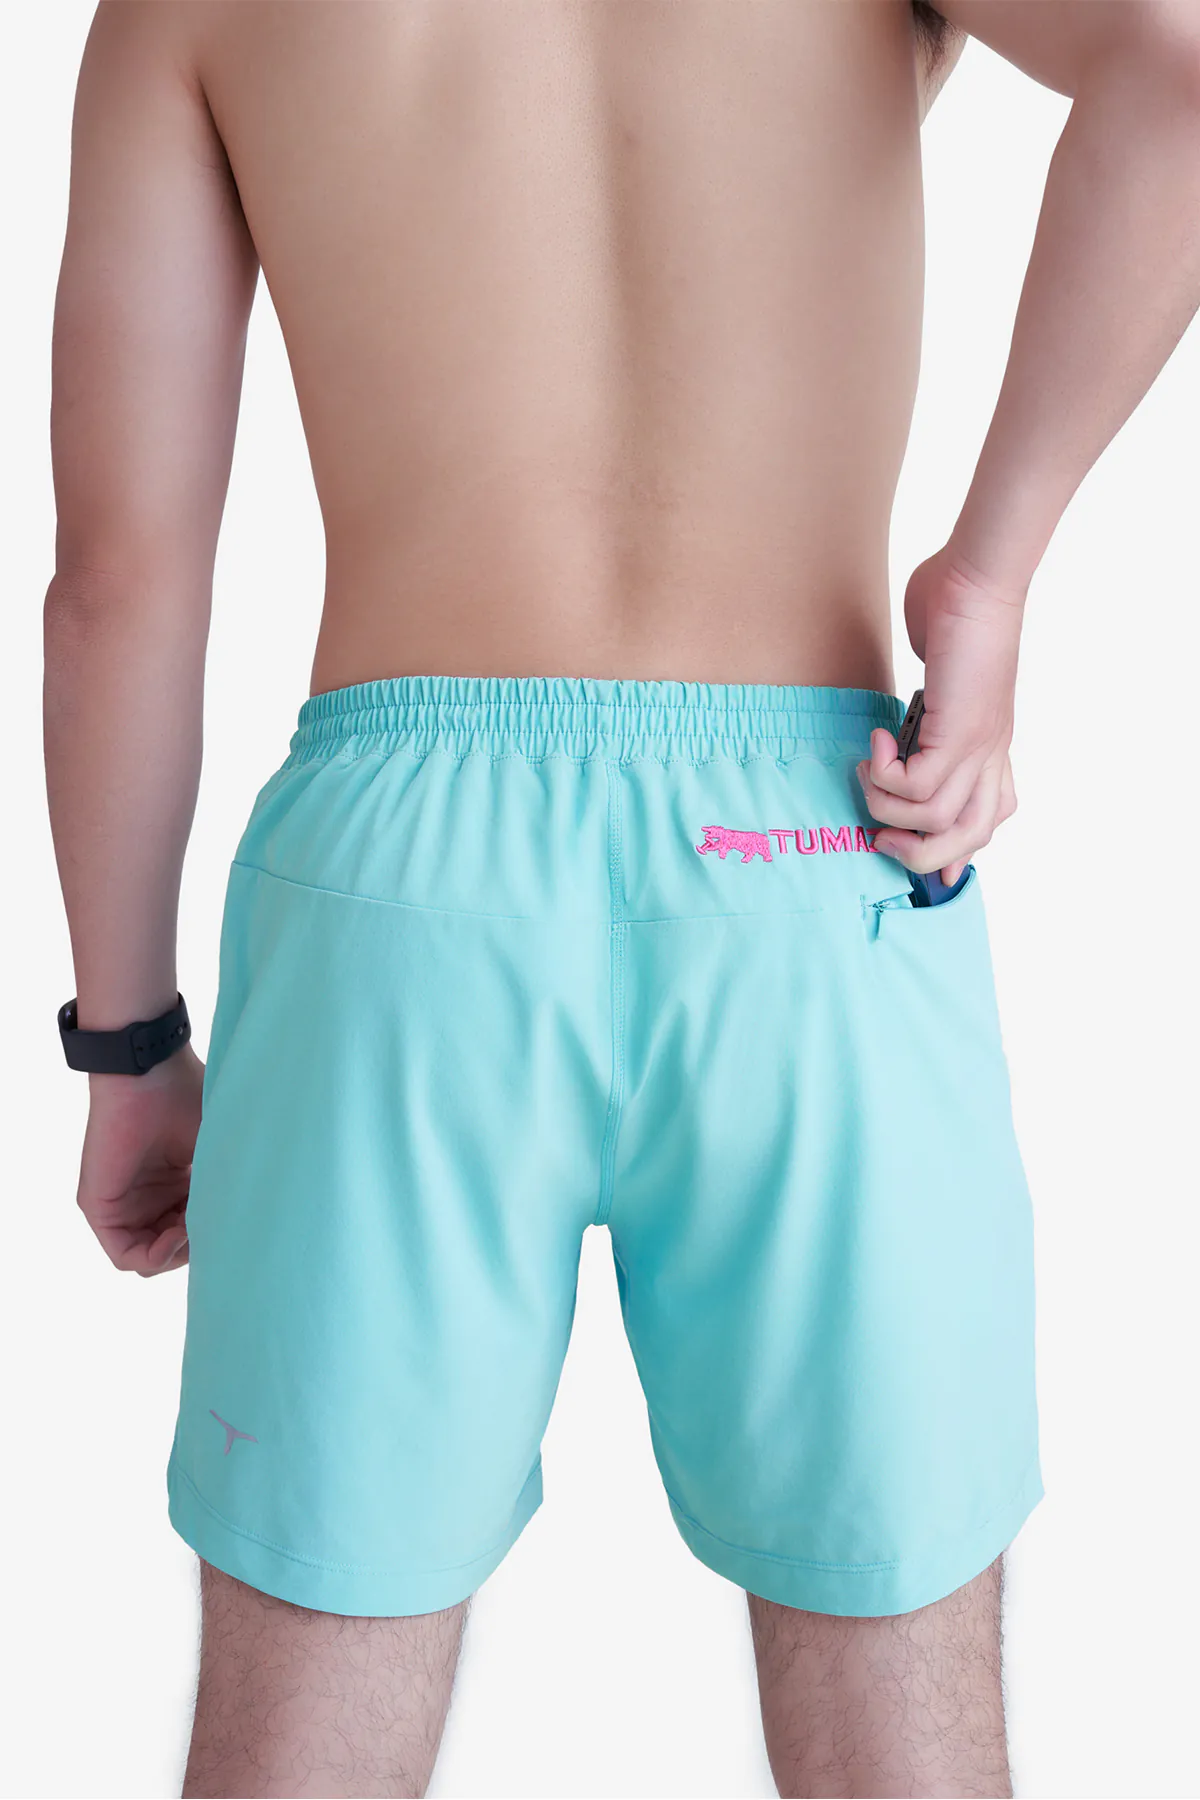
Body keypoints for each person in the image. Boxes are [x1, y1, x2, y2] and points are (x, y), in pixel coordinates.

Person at [43, 2, 1200, 1795]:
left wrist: (129, 1047)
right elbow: (1181, 75)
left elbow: (118, 582)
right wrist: (992, 577)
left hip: (395, 889)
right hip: (816, 856)